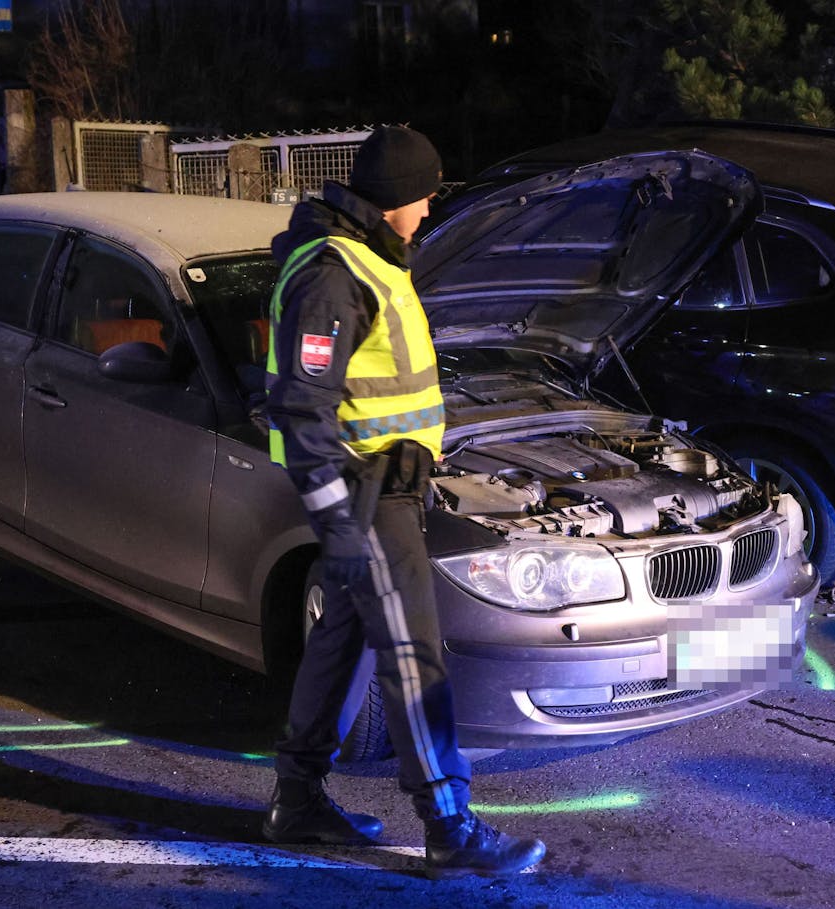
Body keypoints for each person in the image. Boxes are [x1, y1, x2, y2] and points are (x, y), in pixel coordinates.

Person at [260, 124, 546, 879]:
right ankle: (449, 825)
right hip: (363, 493)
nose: (427, 210)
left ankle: (298, 799)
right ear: (392, 202)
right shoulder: (335, 274)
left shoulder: (371, 258)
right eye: (422, 196)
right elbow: (302, 405)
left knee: (344, 642)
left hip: (380, 488)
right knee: (416, 654)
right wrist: (338, 519)